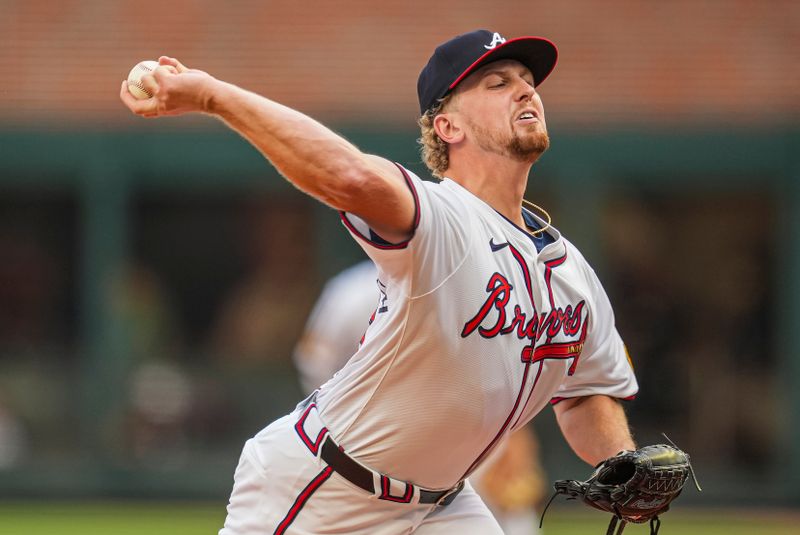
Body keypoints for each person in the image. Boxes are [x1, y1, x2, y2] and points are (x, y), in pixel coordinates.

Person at [121, 29, 639, 535]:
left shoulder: (571, 272)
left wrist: (623, 464)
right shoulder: (441, 216)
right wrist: (213, 95)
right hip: (325, 488)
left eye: (527, 79)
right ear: (447, 127)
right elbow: (348, 177)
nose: (526, 89)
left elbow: (583, 393)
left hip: (442, 506)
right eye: (497, 83)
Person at [293, 258, 546, 534]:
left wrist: (515, 433)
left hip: (464, 430)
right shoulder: (352, 291)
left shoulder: (475, 280)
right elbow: (314, 362)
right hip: (384, 437)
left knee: (507, 514)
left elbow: (500, 369)